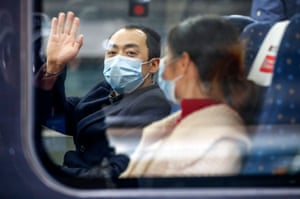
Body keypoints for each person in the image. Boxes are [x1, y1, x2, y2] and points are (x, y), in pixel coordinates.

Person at [35, 11, 171, 178]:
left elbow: (113, 174)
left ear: (154, 64)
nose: (118, 60)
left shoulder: (152, 105)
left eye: (130, 53)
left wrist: (50, 173)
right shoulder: (107, 91)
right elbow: (56, 115)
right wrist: (53, 67)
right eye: (112, 53)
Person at [121, 15, 258, 177]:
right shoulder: (175, 124)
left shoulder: (221, 144)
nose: (163, 73)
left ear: (184, 63)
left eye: (169, 57)